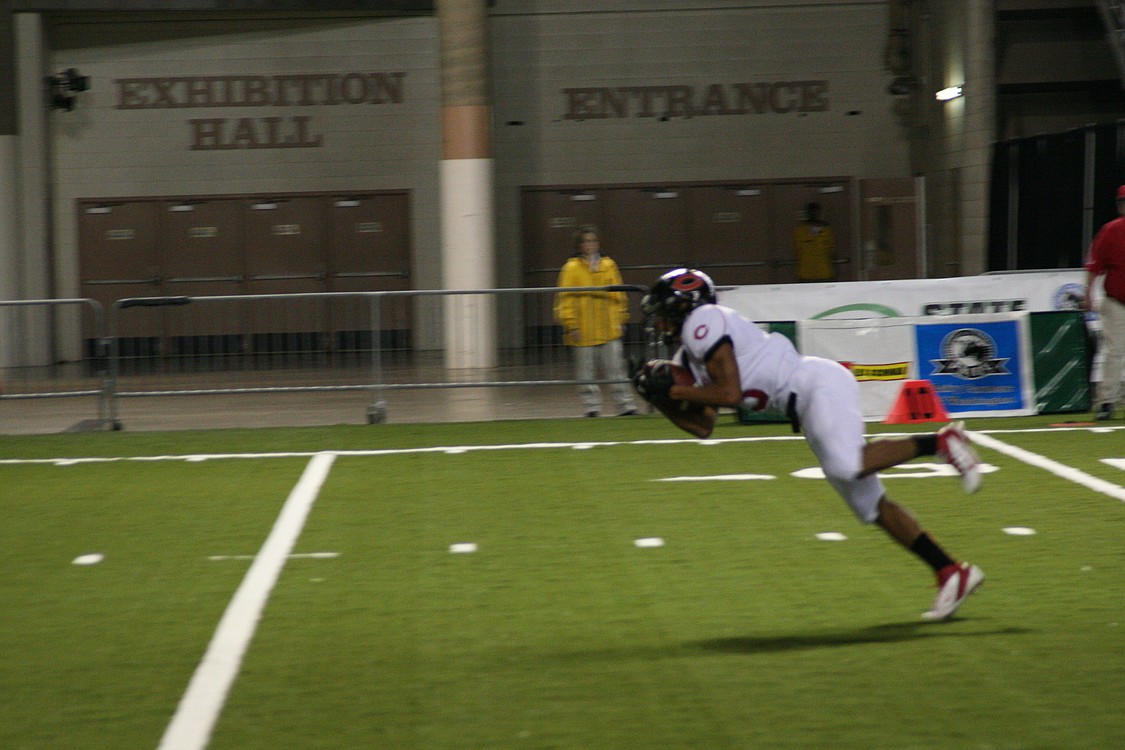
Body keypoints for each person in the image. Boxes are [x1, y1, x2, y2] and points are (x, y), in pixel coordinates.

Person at [632, 268, 985, 621]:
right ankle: (950, 572)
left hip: (815, 385)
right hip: (806, 400)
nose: (661, 324)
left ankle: (941, 442)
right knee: (870, 506)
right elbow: (704, 426)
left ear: (684, 306)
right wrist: (661, 401)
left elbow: (730, 393)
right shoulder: (688, 356)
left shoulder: (704, 320)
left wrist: (676, 390)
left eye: (664, 313)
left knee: (846, 465)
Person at [554, 225, 637, 417]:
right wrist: (571, 324)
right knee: (585, 373)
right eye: (586, 241)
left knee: (616, 369)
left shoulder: (609, 265)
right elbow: (565, 298)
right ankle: (591, 408)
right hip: (583, 328)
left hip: (608, 326)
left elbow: (619, 295)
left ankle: (625, 406)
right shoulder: (571, 268)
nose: (590, 245)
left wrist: (621, 318)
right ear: (579, 245)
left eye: (593, 240)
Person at [1083, 185, 1125, 421]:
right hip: (1116, 301)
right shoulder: (1110, 231)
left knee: (1115, 352)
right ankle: (1107, 402)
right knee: (1115, 351)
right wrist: (1088, 293)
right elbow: (1094, 266)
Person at [793, 201, 837, 282]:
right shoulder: (800, 231)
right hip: (806, 274)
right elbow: (797, 250)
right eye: (812, 212)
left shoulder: (827, 230)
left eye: (816, 211)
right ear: (807, 213)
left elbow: (832, 251)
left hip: (825, 273)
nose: (814, 214)